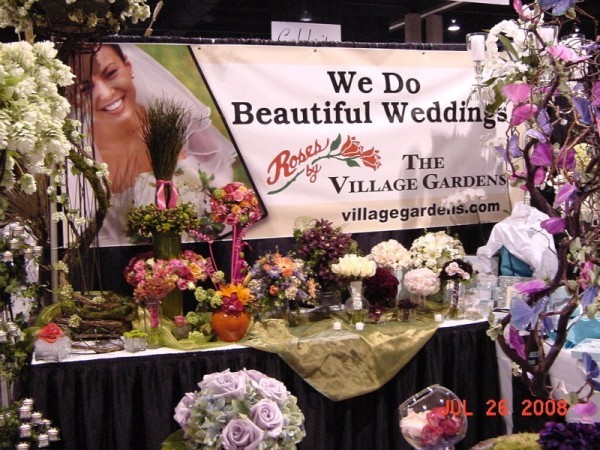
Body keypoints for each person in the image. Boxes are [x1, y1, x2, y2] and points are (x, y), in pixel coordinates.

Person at [75, 43, 237, 246]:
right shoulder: (83, 158)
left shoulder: (178, 122)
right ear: (73, 97)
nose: (105, 94)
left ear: (129, 66)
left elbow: (222, 182)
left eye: (111, 74)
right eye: (85, 88)